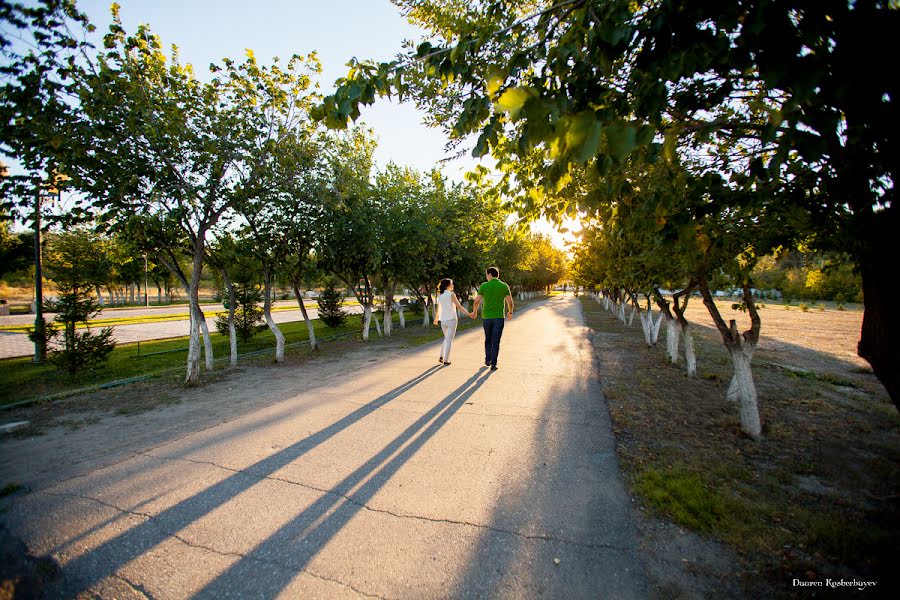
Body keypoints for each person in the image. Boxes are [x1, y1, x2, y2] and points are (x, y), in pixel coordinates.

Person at [470, 267, 513, 371]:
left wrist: (474, 312)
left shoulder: (484, 286)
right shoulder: (504, 286)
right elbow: (510, 301)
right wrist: (510, 312)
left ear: (489, 274)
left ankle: (487, 359)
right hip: (499, 317)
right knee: (496, 341)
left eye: (486, 275)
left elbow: (476, 301)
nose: (486, 277)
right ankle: (493, 364)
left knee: (488, 339)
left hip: (487, 318)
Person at [433, 278, 472, 366]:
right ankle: (446, 360)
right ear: (448, 285)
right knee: (449, 340)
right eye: (452, 284)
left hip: (443, 320)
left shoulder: (441, 296)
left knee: (446, 338)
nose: (453, 285)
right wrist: (469, 314)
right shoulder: (451, 294)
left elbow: (439, 308)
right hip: (452, 319)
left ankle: (441, 356)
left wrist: (436, 318)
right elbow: (459, 306)